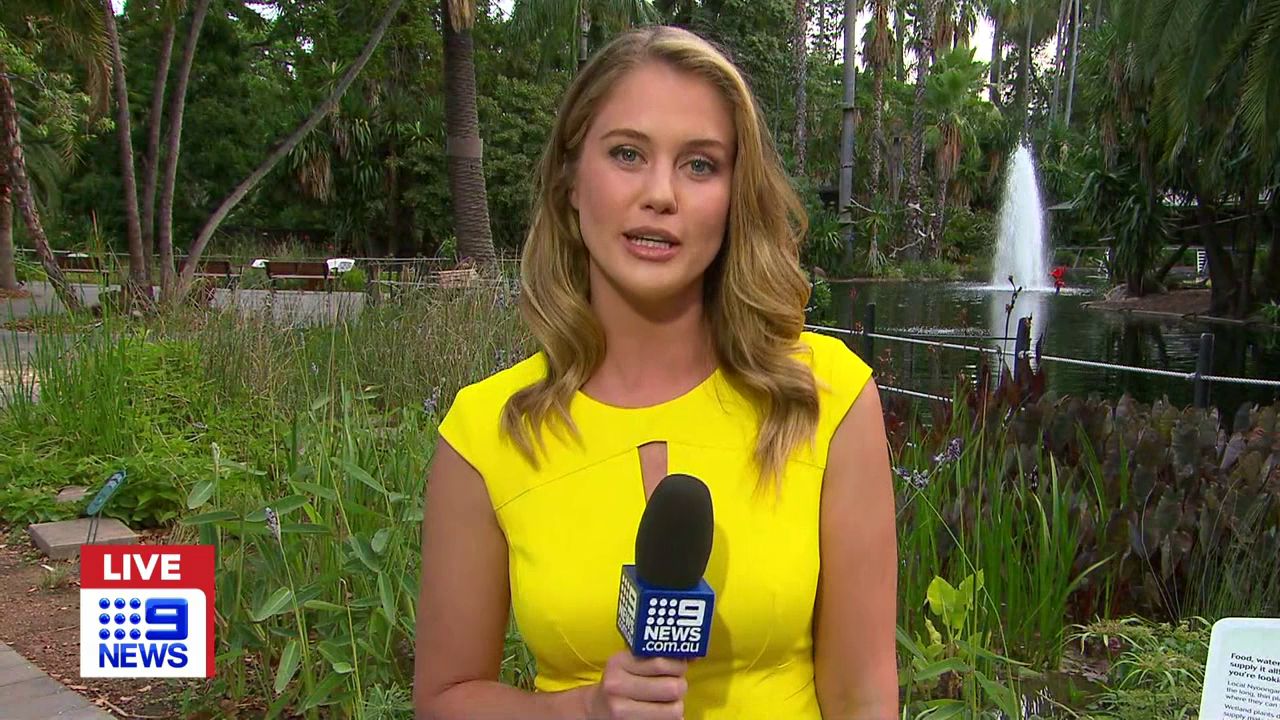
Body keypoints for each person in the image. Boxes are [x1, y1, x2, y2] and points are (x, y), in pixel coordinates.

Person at [413, 25, 898, 720]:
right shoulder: (486, 433)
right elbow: (444, 701)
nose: (661, 194)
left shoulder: (827, 398)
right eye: (627, 154)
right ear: (570, 180)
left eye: (700, 165)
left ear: (734, 195)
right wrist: (583, 711)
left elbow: (863, 698)